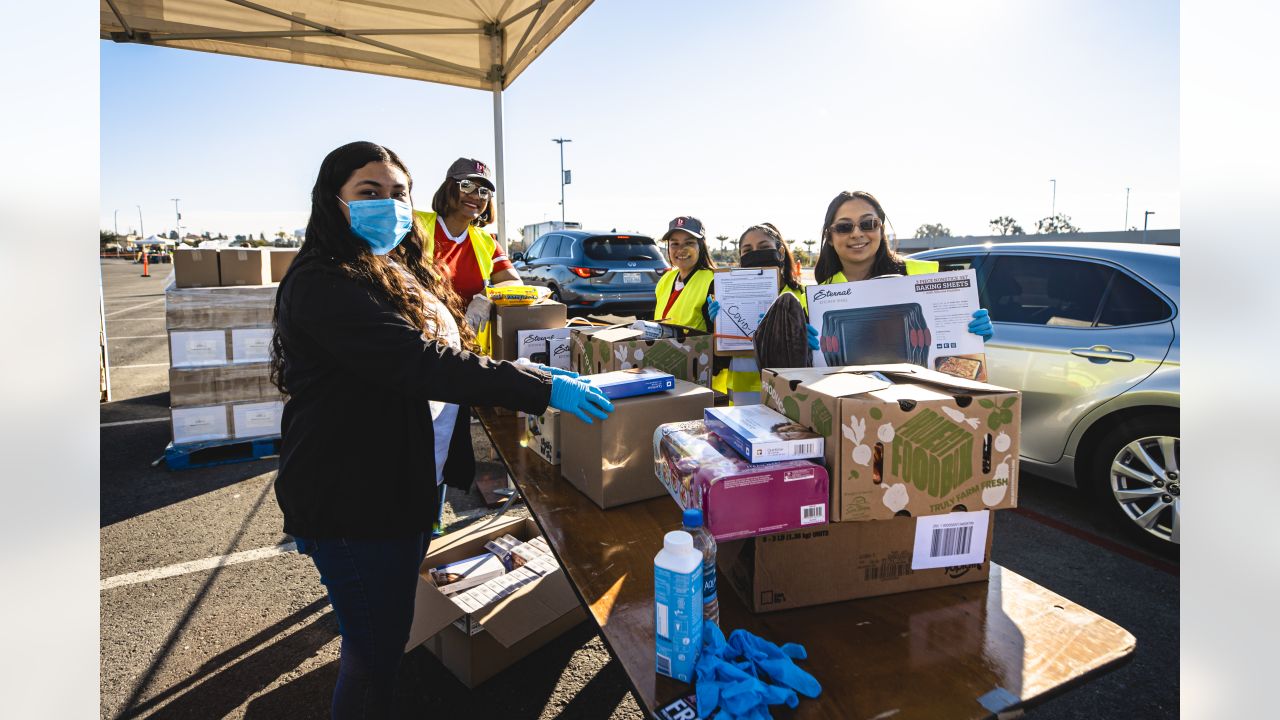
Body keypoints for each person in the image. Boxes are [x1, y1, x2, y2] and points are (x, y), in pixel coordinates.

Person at [269, 141, 613, 719]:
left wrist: (529, 366)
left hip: (404, 479)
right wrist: (536, 387)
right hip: (353, 497)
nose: (387, 204)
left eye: (396, 192)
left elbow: (446, 346)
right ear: (333, 201)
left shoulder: (394, 268)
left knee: (389, 624)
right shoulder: (322, 280)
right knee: (373, 650)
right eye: (368, 192)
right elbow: (416, 363)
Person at [813, 189, 993, 337]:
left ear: (881, 229)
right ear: (829, 237)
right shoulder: (815, 302)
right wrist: (802, 345)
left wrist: (971, 335)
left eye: (868, 223)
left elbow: (953, 351)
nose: (857, 233)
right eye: (845, 227)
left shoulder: (925, 276)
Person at [712, 223, 818, 404]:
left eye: (763, 247)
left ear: (781, 252)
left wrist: (809, 341)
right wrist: (716, 323)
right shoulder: (728, 295)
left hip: (790, 392)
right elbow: (719, 357)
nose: (755, 253)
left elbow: (821, 354)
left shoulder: (804, 295)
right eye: (747, 250)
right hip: (742, 395)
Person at [413, 157, 521, 305]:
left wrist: (484, 297)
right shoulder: (414, 224)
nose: (476, 196)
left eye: (484, 192)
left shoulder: (487, 242)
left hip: (469, 328)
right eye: (467, 186)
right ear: (448, 187)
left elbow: (513, 282)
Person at [654, 215, 717, 331]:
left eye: (689, 243)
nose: (681, 249)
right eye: (675, 244)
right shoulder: (666, 279)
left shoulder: (713, 281)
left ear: (701, 246)